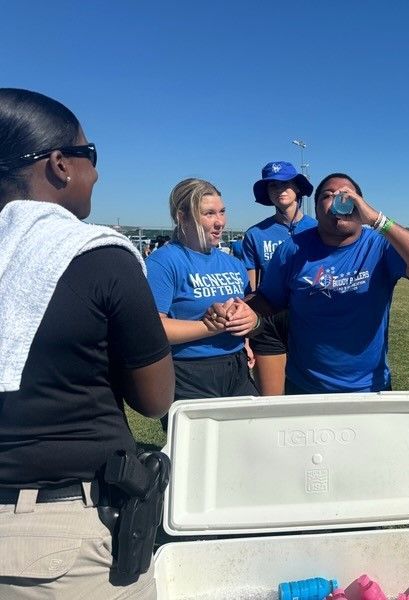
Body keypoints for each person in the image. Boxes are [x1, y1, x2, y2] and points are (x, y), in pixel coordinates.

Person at [0, 88, 174, 598]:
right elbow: (154, 398)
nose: (96, 173)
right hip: (57, 540)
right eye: (89, 155)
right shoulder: (99, 256)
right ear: (58, 165)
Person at [239, 172, 409, 394]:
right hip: (307, 386)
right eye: (329, 195)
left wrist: (378, 220)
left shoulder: (380, 245)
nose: (341, 201)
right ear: (316, 209)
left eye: (348, 195)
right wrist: (239, 308)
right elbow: (269, 300)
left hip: (369, 387)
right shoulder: (292, 250)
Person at [146, 178, 260, 429]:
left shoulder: (233, 263)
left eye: (222, 211)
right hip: (188, 372)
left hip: (237, 367)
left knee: (248, 447)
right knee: (199, 458)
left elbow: (245, 310)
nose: (220, 222)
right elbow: (154, 329)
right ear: (182, 217)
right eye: (208, 214)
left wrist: (248, 327)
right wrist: (209, 326)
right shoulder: (164, 262)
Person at [242, 161, 317, 395]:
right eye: (273, 185)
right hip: (269, 321)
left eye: (285, 183)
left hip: (311, 317)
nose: (279, 189)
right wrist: (247, 333)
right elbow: (250, 289)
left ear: (298, 188)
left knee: (311, 394)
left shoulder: (318, 228)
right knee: (271, 400)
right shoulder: (255, 234)